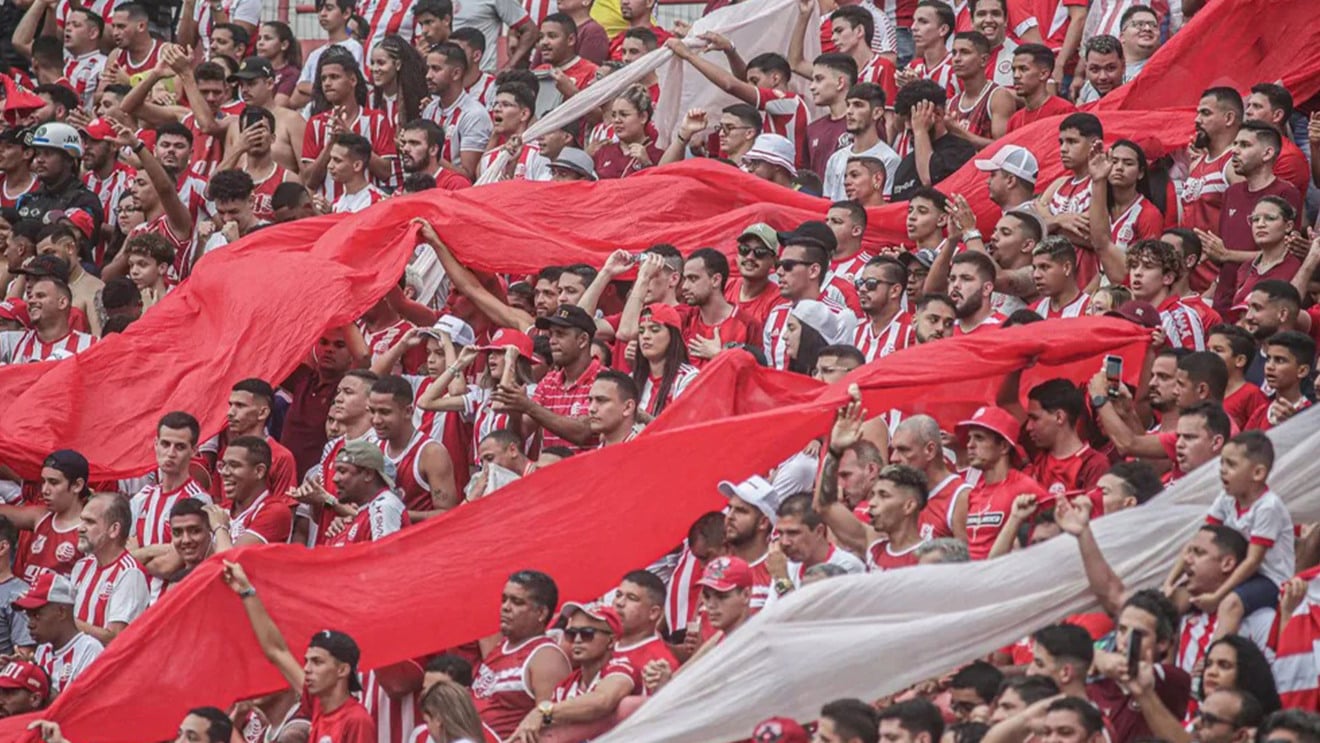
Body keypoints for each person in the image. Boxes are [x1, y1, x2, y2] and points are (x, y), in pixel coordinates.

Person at [222, 560, 376, 742]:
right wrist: (246, 591)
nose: (307, 669)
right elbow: (276, 650)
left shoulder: (356, 720)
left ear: (342, 670)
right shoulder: (319, 705)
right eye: (307, 661)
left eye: (318, 662)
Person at [472, 570, 570, 739]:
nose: (506, 607)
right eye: (504, 599)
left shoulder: (546, 658)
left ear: (541, 613)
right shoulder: (502, 647)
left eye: (517, 602)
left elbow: (552, 731)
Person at [959, 405, 1048, 560]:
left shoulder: (1025, 487)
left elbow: (1053, 529)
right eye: (969, 438)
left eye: (979, 438)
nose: (969, 445)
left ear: (1003, 446)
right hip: (974, 579)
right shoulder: (975, 492)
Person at [71, 493, 149, 643]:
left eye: (90, 522)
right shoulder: (82, 566)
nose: (80, 528)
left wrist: (67, 624)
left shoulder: (130, 573)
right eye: (82, 521)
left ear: (114, 529)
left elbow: (115, 638)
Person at [1036, 113, 1102, 288]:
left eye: (1072, 142)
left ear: (1094, 143)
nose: (1063, 149)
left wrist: (1049, 225)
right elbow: (1034, 222)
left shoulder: (1101, 184)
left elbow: (1093, 235)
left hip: (1088, 279)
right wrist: (1060, 220)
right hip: (1052, 279)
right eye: (1061, 142)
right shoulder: (1059, 183)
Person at [15, 572, 101, 697]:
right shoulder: (42, 650)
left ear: (61, 612)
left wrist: (39, 679)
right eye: (28, 616)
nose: (30, 624)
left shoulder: (89, 650)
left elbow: (82, 707)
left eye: (37, 615)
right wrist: (21, 672)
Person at [891, 79, 976, 200]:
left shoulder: (960, 150)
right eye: (905, 120)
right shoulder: (905, 164)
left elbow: (928, 179)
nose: (908, 126)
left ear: (938, 113)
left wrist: (920, 130)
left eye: (913, 117)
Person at [15, 122, 103, 233]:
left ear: (69, 160)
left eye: (48, 153)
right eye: (38, 153)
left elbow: (79, 240)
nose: (39, 159)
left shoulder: (85, 201)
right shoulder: (26, 199)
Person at [823, 82, 899, 200]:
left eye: (858, 105)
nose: (849, 111)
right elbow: (826, 203)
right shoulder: (836, 158)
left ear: (877, 113)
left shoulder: (889, 159)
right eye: (848, 105)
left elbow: (885, 208)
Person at [944, 32, 1013, 148]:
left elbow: (1003, 148)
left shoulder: (998, 96)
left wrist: (959, 132)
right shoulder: (953, 102)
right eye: (954, 53)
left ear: (984, 60)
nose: (957, 59)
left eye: (965, 52)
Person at [591, 84, 662, 179]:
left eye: (624, 115)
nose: (616, 120)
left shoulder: (657, 152)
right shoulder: (603, 152)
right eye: (613, 115)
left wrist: (647, 164)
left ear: (643, 117)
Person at [1246, 331, 1315, 430]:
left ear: (1302, 371)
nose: (1270, 366)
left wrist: (1293, 425)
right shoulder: (1261, 412)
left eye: (1280, 360)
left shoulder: (1311, 417)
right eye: (1268, 359)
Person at [853, 256, 911, 361]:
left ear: (895, 291)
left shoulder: (912, 330)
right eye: (860, 283)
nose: (862, 289)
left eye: (871, 284)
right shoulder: (857, 332)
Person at [1030, 237, 1089, 318]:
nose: (1036, 275)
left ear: (1067, 268)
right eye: (1034, 268)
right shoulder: (1034, 311)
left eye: (1044, 267)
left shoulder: (1090, 310)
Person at [1074, 35, 1123, 104]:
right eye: (1094, 69)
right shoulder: (1086, 89)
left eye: (1110, 68)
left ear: (1123, 66)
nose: (1103, 77)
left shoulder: (1135, 93)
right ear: (1086, 68)